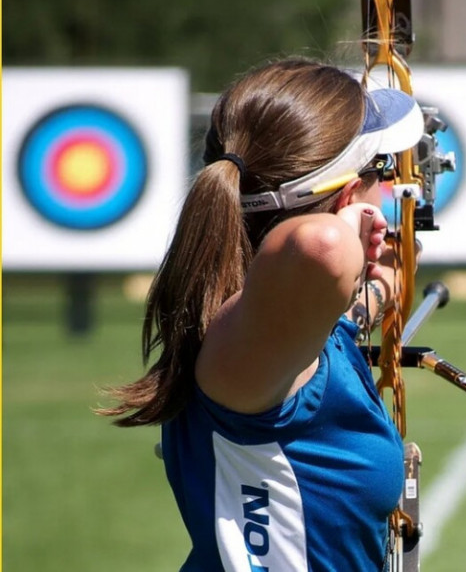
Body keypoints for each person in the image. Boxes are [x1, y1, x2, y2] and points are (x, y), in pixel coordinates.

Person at [97, 58, 426, 571]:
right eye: (378, 171)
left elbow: (341, 316)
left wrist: (385, 280)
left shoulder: (271, 328)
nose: (382, 191)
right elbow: (320, 245)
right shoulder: (243, 350)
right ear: (342, 192)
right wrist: (352, 226)